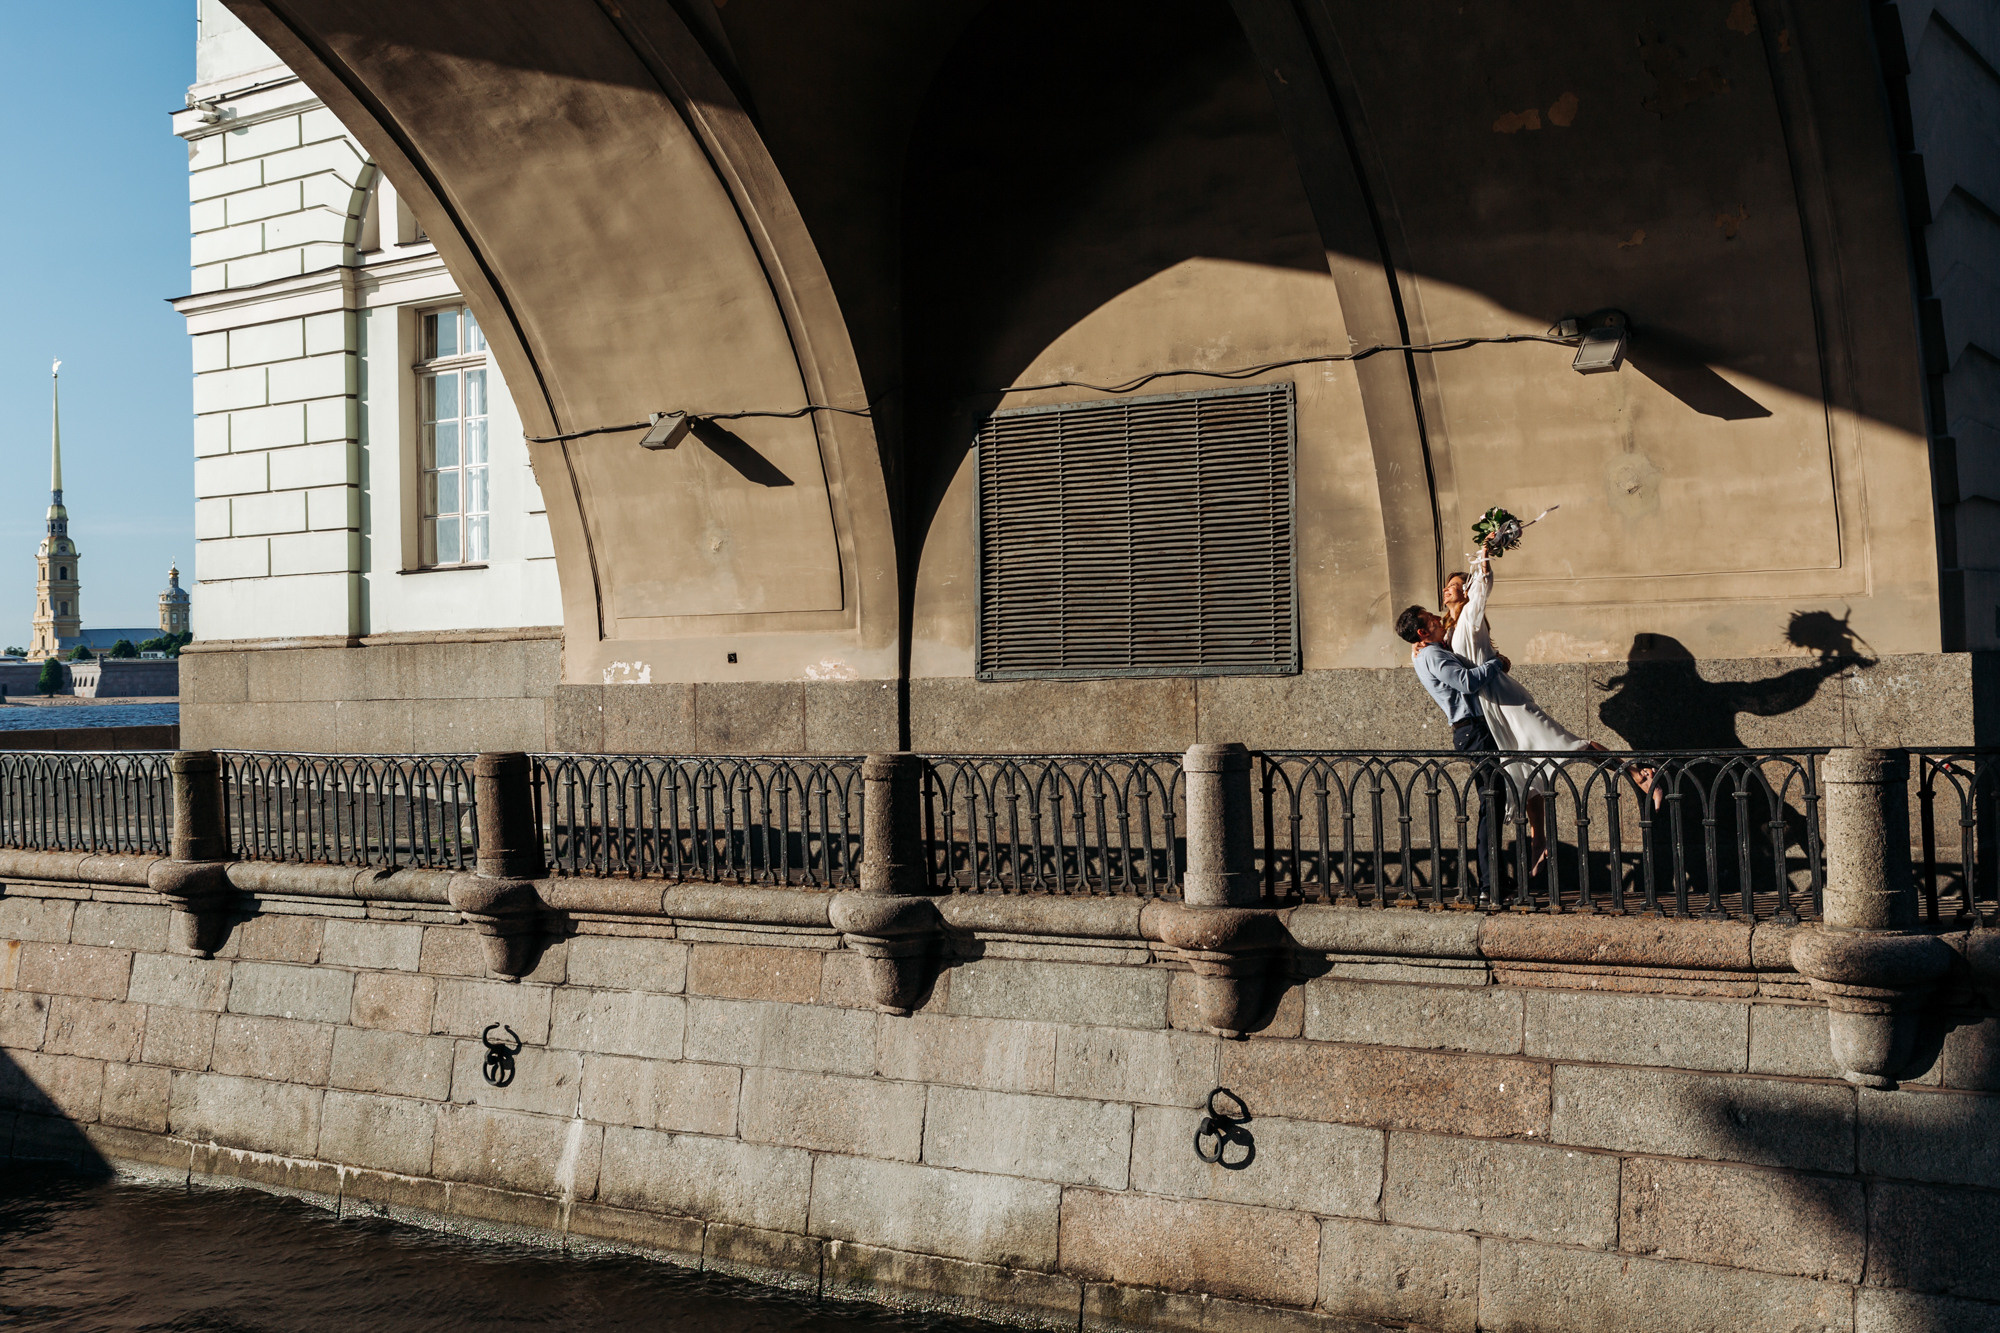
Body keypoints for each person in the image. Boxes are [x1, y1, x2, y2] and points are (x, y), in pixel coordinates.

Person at [1395, 603, 1508, 897]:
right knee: (1491, 802)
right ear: (1423, 631)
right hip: (1472, 731)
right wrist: (1497, 664)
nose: (1438, 618)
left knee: (1492, 802)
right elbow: (1466, 682)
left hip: (1472, 731)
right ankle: (1489, 884)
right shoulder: (1431, 654)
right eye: (1432, 619)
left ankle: (1492, 881)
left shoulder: (1431, 650)